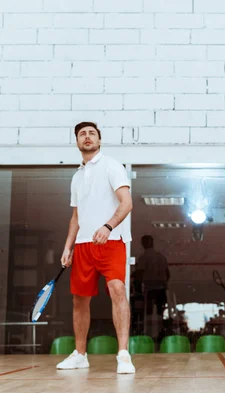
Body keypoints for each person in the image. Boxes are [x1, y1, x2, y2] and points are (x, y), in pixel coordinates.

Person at [57, 122, 135, 374]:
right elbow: (76, 217)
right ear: (77, 142)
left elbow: (127, 203)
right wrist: (68, 246)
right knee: (79, 299)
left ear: (99, 140)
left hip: (111, 241)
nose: (87, 137)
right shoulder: (77, 176)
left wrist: (108, 226)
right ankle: (80, 355)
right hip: (82, 246)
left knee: (117, 289)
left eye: (92, 133)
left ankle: (123, 355)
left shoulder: (112, 166)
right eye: (82, 134)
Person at [136, 235, 170, 319]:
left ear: (143, 244)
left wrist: (138, 289)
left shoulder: (143, 258)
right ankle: (160, 329)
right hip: (161, 289)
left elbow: (139, 274)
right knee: (160, 313)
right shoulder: (161, 257)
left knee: (148, 313)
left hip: (149, 290)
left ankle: (149, 329)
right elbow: (168, 274)